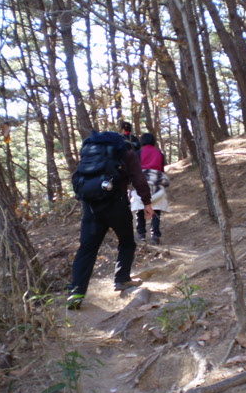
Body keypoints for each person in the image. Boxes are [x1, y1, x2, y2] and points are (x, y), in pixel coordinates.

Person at [67, 131, 154, 310]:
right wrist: (146, 202)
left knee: (87, 249)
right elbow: (138, 179)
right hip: (116, 205)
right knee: (127, 242)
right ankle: (122, 279)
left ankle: (76, 292)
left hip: (90, 208)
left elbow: (76, 178)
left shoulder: (89, 154)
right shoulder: (126, 153)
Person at [130, 132, 170, 245]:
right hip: (156, 181)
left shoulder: (138, 153)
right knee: (156, 208)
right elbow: (161, 170)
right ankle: (155, 235)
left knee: (140, 207)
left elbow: (134, 170)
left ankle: (141, 233)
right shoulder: (160, 154)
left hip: (141, 182)